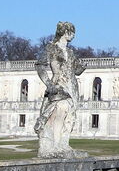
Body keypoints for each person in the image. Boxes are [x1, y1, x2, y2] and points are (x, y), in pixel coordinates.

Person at [34, 21, 86, 158]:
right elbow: (40, 65)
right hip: (59, 85)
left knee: (70, 116)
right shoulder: (52, 48)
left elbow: (76, 71)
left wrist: (82, 67)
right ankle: (53, 145)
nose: (73, 35)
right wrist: (49, 84)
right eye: (72, 32)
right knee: (60, 110)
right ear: (65, 32)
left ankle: (63, 144)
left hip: (72, 86)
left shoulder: (70, 52)